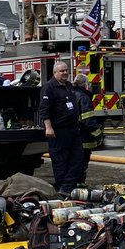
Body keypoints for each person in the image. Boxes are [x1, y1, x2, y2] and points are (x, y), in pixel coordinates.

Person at [40, 61, 81, 196]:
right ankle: (62, 188)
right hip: (58, 130)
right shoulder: (49, 88)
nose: (65, 73)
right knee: (60, 161)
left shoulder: (69, 86)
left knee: (77, 158)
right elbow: (44, 110)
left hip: (73, 130)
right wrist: (48, 127)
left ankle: (69, 186)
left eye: (66, 70)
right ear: (55, 73)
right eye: (61, 71)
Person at [73, 73, 102, 187]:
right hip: (83, 137)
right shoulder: (84, 97)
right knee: (82, 162)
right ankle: (80, 184)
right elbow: (88, 119)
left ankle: (75, 183)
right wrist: (98, 134)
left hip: (74, 135)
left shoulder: (71, 93)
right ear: (85, 85)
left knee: (74, 162)